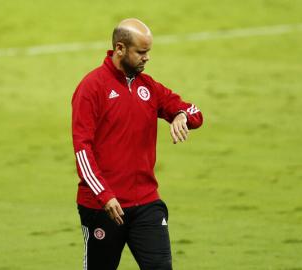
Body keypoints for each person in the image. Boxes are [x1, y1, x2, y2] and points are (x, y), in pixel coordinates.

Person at [71, 18, 203, 270]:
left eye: (148, 52)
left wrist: (181, 115)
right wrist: (104, 195)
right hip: (103, 206)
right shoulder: (91, 88)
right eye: (141, 52)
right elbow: (82, 149)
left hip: (146, 203)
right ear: (120, 48)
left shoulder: (148, 87)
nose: (147, 58)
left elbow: (194, 111)